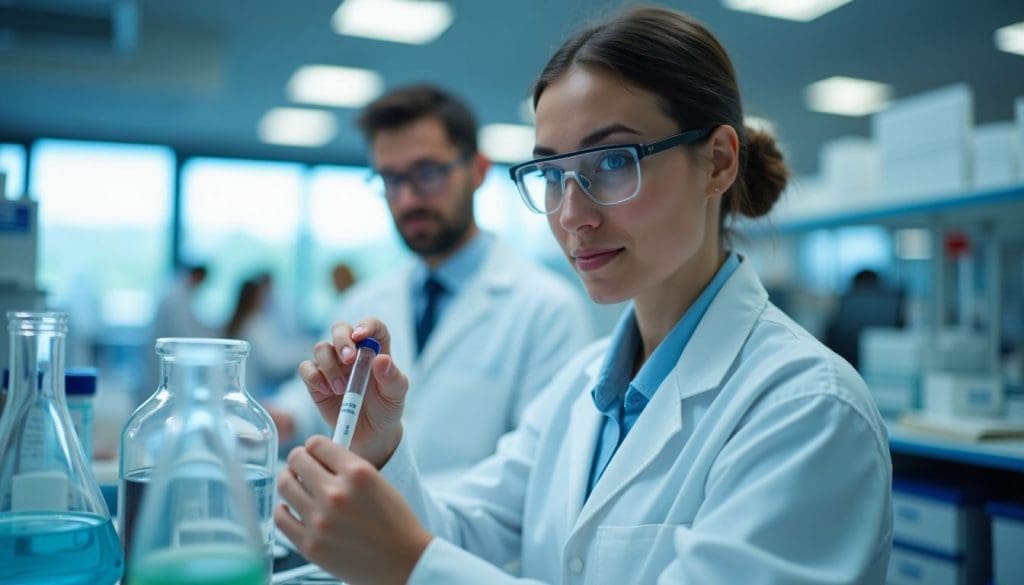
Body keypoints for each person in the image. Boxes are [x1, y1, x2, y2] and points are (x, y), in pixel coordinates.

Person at [274, 8, 892, 584]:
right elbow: (466, 532)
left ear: (718, 162)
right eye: (550, 173)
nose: (573, 215)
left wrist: (413, 565)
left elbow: (424, 556)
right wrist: (383, 449)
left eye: (613, 161)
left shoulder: (808, 409)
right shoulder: (580, 388)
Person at [267, 85, 593, 484]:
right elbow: (320, 395)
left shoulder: (547, 308)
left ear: (477, 171)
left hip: (472, 544)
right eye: (390, 179)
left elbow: (538, 470)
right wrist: (280, 418)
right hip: (357, 533)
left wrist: (394, 501)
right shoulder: (366, 300)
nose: (406, 199)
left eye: (426, 173)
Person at [225, 272, 311, 397]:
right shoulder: (255, 324)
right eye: (264, 294)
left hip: (243, 388)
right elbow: (275, 360)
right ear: (254, 297)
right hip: (250, 390)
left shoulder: (242, 320)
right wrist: (307, 348)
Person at [824, 269, 906, 369]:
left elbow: (828, 337)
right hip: (886, 366)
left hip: (845, 366)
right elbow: (902, 336)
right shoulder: (892, 302)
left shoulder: (846, 300)